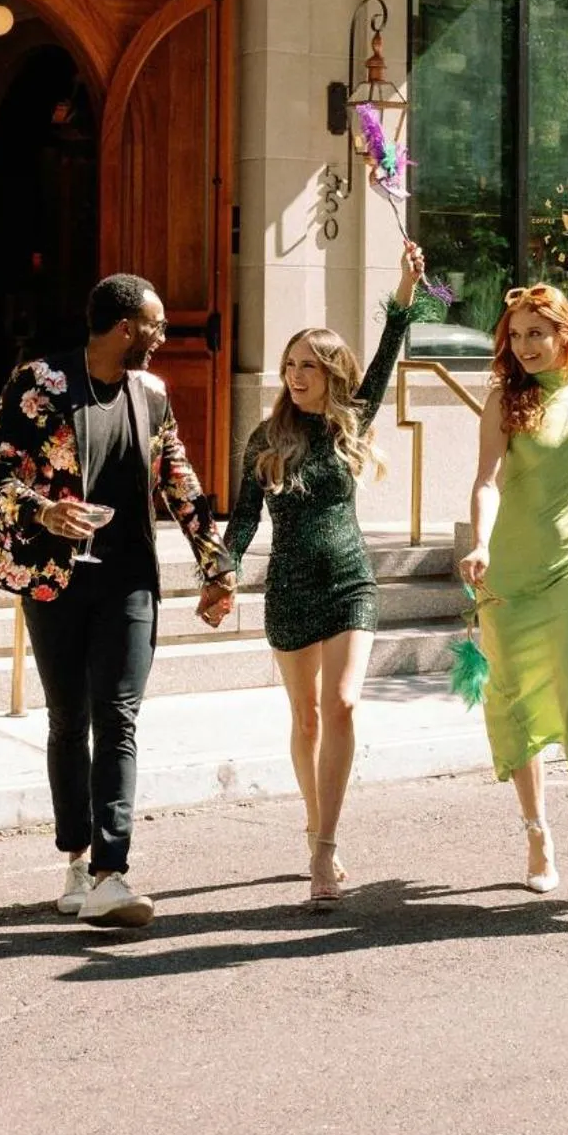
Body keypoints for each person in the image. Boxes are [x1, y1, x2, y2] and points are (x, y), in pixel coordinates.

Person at [0, 272, 236, 926]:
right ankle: (75, 858)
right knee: (69, 720)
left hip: (128, 580)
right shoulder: (41, 383)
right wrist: (41, 510)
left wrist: (216, 564)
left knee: (118, 717)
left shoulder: (152, 393)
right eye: (156, 325)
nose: (163, 335)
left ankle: (110, 873)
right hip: (53, 575)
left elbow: (179, 478)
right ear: (125, 328)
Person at [219, 245, 426, 907]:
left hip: (349, 583)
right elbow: (242, 521)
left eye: (309, 364)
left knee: (342, 704)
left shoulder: (350, 421)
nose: (295, 374)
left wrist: (405, 284)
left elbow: (389, 349)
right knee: (305, 718)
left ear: (333, 373)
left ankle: (325, 848)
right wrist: (221, 571)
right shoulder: (265, 438)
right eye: (290, 364)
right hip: (289, 588)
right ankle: (314, 826)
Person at [458, 284, 568, 900]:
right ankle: (536, 832)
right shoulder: (503, 399)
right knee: (518, 699)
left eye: (537, 333)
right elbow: (487, 480)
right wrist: (480, 542)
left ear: (564, 335)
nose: (525, 346)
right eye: (516, 335)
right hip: (508, 571)